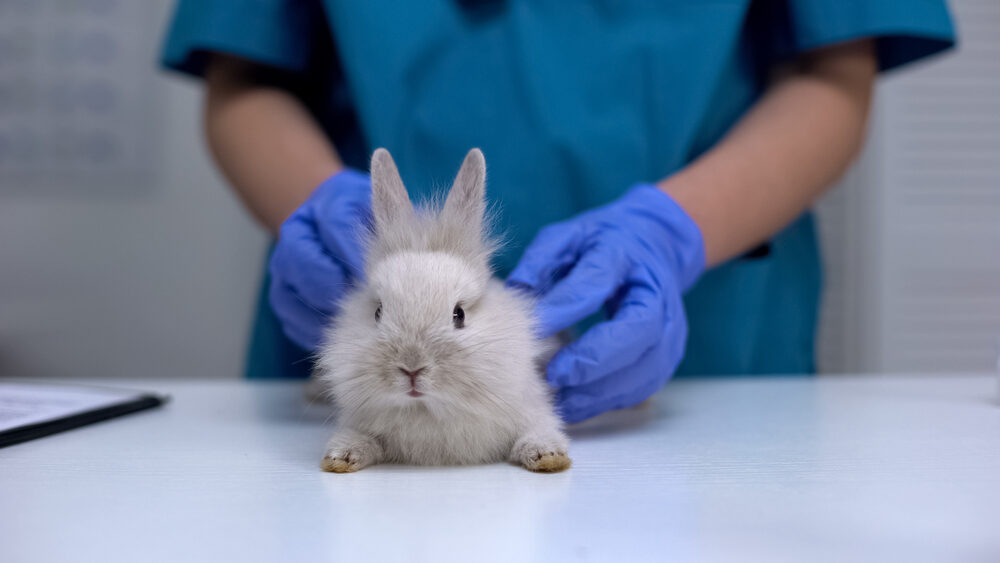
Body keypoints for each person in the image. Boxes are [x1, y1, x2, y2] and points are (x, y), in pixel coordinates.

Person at [162, 1, 955, 422]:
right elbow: (246, 76)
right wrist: (324, 209)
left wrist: (669, 235)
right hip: (347, 370)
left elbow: (833, 75)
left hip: (709, 360)